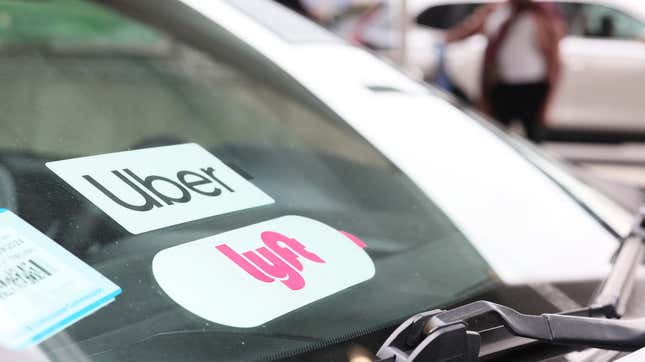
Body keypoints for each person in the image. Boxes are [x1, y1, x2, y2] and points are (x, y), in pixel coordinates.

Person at [445, 0, 564, 143]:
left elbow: (553, 59)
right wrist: (445, 39)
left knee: (534, 140)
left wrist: (548, 102)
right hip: (500, 84)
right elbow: (468, 30)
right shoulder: (497, 10)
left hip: (532, 87)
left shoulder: (539, 14)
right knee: (496, 137)